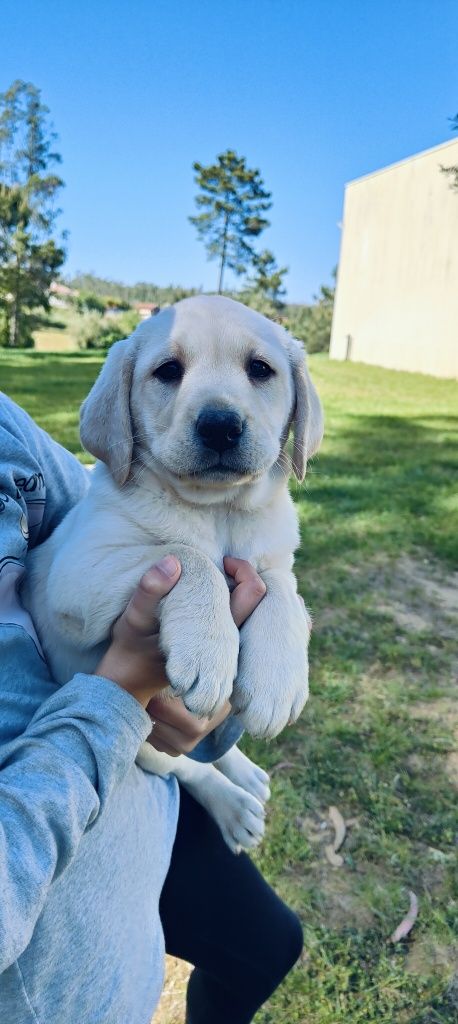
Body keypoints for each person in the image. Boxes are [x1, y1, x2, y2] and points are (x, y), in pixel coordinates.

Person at [0, 393, 303, 1024]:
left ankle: (197, 775)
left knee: (268, 945)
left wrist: (212, 723)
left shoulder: (6, 435)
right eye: (170, 370)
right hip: (56, 964)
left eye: (259, 369)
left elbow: (105, 510)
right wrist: (123, 693)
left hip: (140, 792)